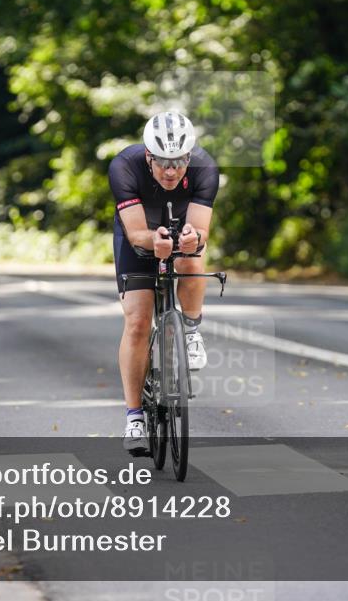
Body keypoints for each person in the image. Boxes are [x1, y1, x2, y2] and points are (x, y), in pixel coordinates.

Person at [109, 111, 220, 455]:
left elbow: (201, 229)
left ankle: (190, 329)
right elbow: (136, 231)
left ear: (189, 156)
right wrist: (151, 241)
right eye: (162, 163)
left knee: (192, 254)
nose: (170, 171)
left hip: (178, 227)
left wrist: (192, 238)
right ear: (148, 156)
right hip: (139, 232)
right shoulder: (124, 167)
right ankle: (134, 417)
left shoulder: (205, 168)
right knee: (138, 321)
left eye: (178, 162)